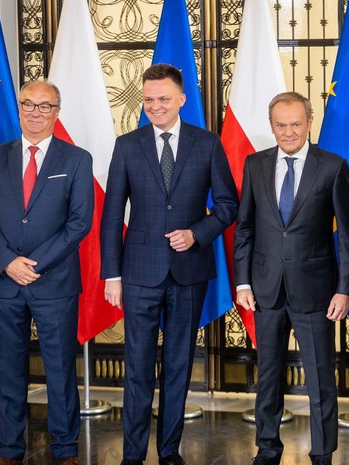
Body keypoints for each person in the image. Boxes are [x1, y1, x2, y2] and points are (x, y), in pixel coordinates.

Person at [100, 63, 238, 465]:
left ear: (181, 99)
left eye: (163, 98)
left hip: (189, 271)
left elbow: (227, 205)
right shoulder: (127, 145)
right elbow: (112, 215)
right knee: (137, 368)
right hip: (138, 273)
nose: (155, 106)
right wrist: (112, 274)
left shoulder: (207, 143)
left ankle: (169, 451)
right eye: (148, 99)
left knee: (178, 366)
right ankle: (131, 455)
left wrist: (197, 233)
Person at [234, 91, 349, 465]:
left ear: (309, 123)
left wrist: (344, 289)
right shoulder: (255, 165)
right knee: (268, 376)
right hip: (266, 288)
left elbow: (347, 235)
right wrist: (243, 282)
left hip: (316, 290)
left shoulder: (333, 166)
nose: (288, 132)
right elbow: (245, 228)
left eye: (295, 124)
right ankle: (267, 448)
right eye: (280, 125)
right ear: (271, 126)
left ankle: (322, 453)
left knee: (321, 379)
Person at [0, 80, 93, 465]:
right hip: (4, 281)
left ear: (57, 111)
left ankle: (65, 450)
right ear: (19, 107)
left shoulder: (76, 159)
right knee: (9, 372)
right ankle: (9, 451)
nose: (36, 112)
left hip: (54, 283)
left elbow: (79, 223)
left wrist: (35, 265)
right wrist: (8, 262)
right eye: (28, 104)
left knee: (60, 371)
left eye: (45, 106)